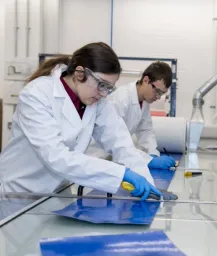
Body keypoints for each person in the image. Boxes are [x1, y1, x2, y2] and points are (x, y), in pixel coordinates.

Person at [0, 42, 161, 201]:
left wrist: (146, 183)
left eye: (109, 88)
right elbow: (56, 156)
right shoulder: (37, 94)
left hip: (56, 192)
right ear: (79, 74)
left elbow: (121, 143)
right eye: (101, 84)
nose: (104, 94)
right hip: (19, 194)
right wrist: (121, 174)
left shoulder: (97, 102)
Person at [109, 62, 176, 170]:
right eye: (157, 91)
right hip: (98, 158)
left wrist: (152, 153)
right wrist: (149, 161)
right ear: (146, 80)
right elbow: (116, 141)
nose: (158, 97)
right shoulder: (120, 99)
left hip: (115, 159)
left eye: (162, 93)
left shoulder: (144, 101)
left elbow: (145, 130)